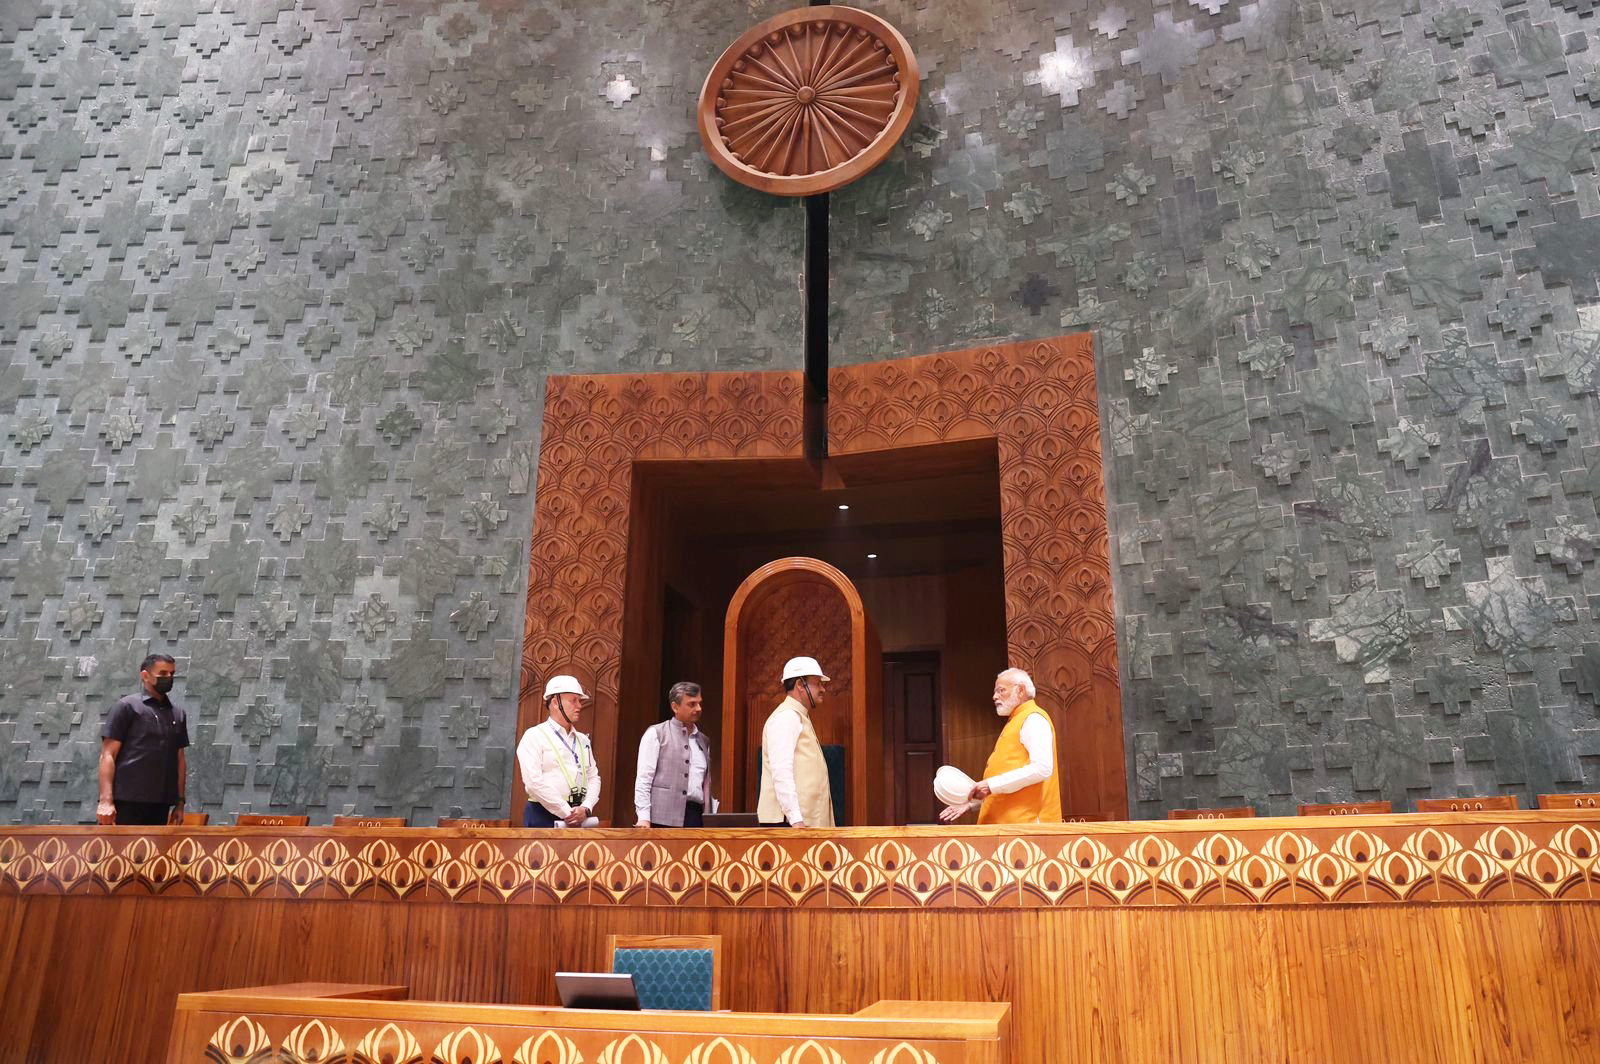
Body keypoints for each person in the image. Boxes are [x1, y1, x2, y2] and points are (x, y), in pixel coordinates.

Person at [939, 667, 1062, 824]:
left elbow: (1042, 769)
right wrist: (972, 803)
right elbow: (1007, 784)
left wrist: (990, 785)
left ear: (1021, 690)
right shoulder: (1016, 720)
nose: (994, 696)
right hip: (1005, 825)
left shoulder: (1033, 718)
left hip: (1024, 825)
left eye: (1000, 690)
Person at [97, 653, 190, 826]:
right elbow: (108, 754)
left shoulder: (178, 713)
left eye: (172, 674)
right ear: (145, 675)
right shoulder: (126, 706)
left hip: (161, 803)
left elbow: (180, 760)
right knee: (121, 852)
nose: (169, 678)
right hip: (126, 802)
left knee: (155, 853)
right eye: (162, 674)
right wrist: (105, 801)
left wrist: (180, 803)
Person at [757, 656, 835, 828]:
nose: (822, 689)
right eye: (817, 683)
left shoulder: (797, 715)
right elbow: (781, 770)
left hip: (799, 824)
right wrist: (795, 819)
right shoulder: (787, 717)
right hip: (791, 824)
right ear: (800, 685)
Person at [517, 674, 602, 828]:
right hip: (542, 814)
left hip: (579, 815)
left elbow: (593, 777)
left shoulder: (582, 740)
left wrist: (587, 807)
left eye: (579, 700)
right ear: (556, 703)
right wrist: (566, 812)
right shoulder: (534, 736)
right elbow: (533, 782)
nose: (579, 706)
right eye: (573, 700)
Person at [633, 681, 713, 827]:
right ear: (675, 707)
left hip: (695, 817)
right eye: (692, 704)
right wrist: (643, 817)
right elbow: (644, 778)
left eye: (699, 703)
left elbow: (705, 785)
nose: (698, 708)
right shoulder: (656, 733)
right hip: (660, 817)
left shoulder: (703, 740)